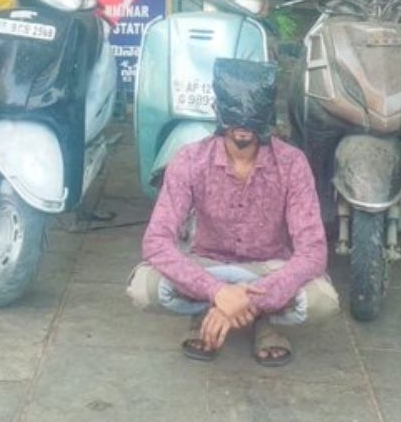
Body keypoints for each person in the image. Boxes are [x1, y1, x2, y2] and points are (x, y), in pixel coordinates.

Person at [127, 59, 337, 366]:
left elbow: (313, 251)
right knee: (143, 289)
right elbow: (156, 241)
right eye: (234, 113)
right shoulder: (190, 160)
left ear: (267, 113)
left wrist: (248, 297)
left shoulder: (292, 163)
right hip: (208, 264)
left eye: (253, 115)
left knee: (323, 301)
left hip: (266, 269)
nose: (243, 126)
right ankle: (210, 310)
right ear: (218, 109)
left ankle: (260, 319)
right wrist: (216, 291)